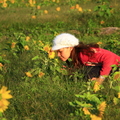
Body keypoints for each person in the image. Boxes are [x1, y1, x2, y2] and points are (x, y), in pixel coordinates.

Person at [51, 33, 120, 84]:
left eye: (60, 51)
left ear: (70, 47)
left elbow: (109, 57)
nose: (58, 55)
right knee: (81, 73)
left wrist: (101, 79)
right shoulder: (74, 56)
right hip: (103, 66)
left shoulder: (84, 53)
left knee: (87, 74)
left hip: (116, 65)